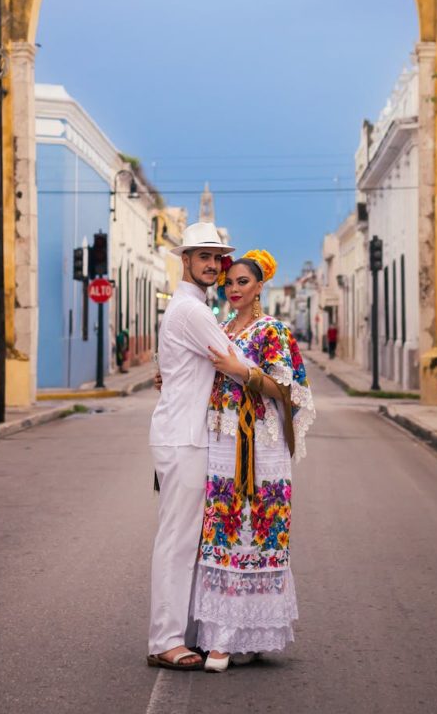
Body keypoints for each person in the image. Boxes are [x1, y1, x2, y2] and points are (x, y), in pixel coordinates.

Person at [192, 249, 315, 672]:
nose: (233, 290)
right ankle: (223, 634)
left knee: (257, 528)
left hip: (260, 445)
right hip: (224, 440)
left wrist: (239, 369)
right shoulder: (222, 327)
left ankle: (240, 636)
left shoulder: (272, 331)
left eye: (242, 282)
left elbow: (288, 388)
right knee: (223, 528)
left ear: (260, 285)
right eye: (228, 284)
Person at [146, 222, 250, 672]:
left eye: (217, 257)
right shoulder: (192, 312)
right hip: (184, 437)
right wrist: (276, 378)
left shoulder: (195, 308)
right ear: (184, 259)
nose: (212, 264)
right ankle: (164, 640)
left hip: (188, 434)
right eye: (203, 256)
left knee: (191, 540)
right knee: (178, 540)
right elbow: (236, 363)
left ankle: (183, 635)